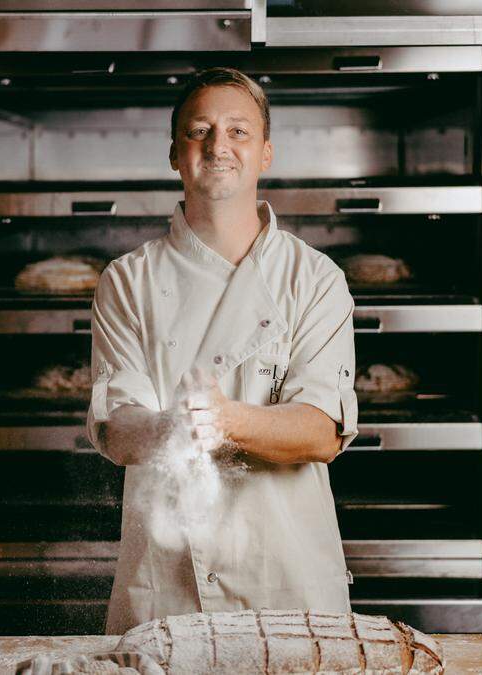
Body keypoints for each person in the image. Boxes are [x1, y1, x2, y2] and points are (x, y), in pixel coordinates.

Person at [86, 67, 359, 635]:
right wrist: (174, 429)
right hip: (166, 583)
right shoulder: (128, 281)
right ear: (173, 153)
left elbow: (320, 433)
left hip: (288, 580)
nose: (218, 146)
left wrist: (225, 421)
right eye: (199, 130)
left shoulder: (313, 279)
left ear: (265, 154)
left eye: (238, 131)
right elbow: (116, 428)